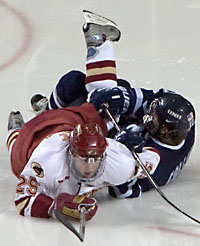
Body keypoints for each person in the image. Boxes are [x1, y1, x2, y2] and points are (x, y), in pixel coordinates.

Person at [6, 12, 161, 220]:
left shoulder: (116, 161)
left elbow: (152, 159)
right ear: (71, 153)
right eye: (84, 158)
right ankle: (16, 129)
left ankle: (98, 44)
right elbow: (23, 199)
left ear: (104, 153)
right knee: (18, 154)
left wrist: (133, 147)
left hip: (72, 124)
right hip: (42, 141)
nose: (89, 165)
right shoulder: (46, 161)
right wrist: (53, 207)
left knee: (102, 107)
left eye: (94, 158)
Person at [30, 11, 196, 199]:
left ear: (166, 132)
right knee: (80, 83)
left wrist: (120, 150)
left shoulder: (159, 164)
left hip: (90, 141)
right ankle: (47, 115)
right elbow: (152, 97)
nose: (149, 119)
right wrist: (124, 98)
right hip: (109, 124)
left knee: (79, 92)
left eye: (155, 122)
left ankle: (39, 131)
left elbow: (122, 191)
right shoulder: (180, 115)